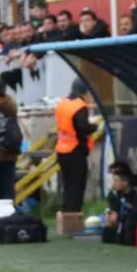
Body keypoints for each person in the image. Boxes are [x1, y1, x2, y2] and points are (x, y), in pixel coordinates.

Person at [54, 79, 97, 213]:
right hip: (75, 149)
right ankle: (74, 215)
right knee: (77, 184)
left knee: (68, 184)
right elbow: (82, 128)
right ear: (84, 92)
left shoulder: (62, 103)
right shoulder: (79, 106)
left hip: (61, 149)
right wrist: (94, 127)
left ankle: (66, 212)